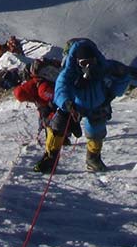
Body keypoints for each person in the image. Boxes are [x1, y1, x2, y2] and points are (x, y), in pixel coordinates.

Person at [35, 39, 130, 173]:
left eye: (91, 62)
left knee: (96, 132)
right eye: (84, 63)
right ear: (77, 62)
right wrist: (67, 103)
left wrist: (111, 94)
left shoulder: (105, 69)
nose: (88, 66)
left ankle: (93, 158)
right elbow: (61, 89)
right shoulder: (69, 73)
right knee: (57, 126)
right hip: (74, 106)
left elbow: (123, 77)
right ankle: (50, 157)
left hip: (97, 105)